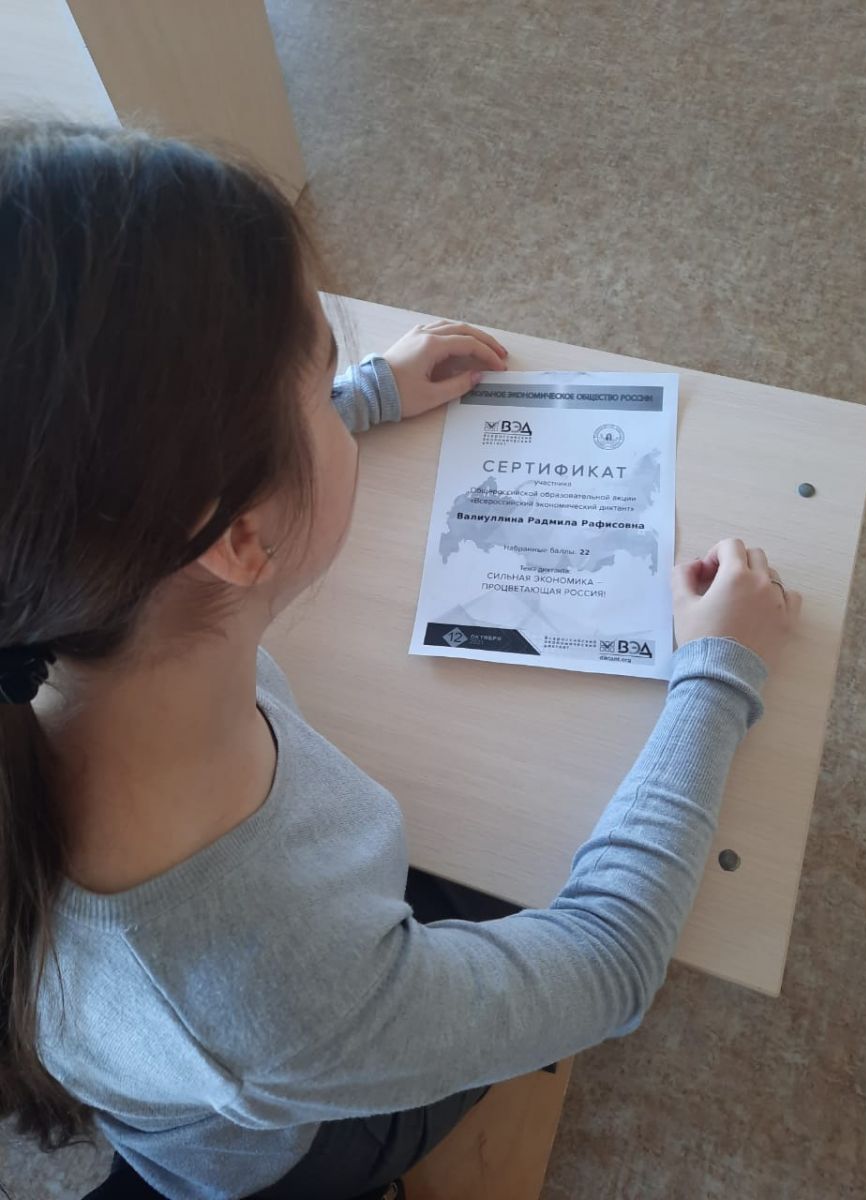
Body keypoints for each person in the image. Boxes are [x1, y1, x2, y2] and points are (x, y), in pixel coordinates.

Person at [0, 123, 800, 1200]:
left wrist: (362, 395)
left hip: (271, 1008)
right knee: (531, 854)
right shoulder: (278, 992)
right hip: (312, 1139)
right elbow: (611, 966)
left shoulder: (72, 624)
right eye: (317, 378)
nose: (336, 391)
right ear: (239, 537)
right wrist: (719, 673)